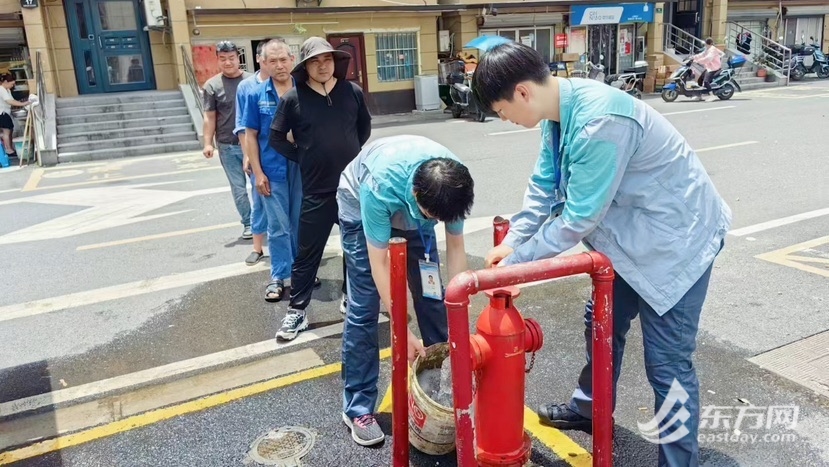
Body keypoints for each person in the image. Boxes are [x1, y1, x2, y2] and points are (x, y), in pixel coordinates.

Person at [472, 42, 732, 467]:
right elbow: (543, 187)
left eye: (501, 111)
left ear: (522, 93)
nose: (505, 119)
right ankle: (591, 407)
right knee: (601, 325)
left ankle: (679, 462)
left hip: (675, 246)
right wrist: (513, 242)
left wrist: (516, 269)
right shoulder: (557, 114)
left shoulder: (600, 120)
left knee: (667, 364)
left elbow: (577, 219)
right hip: (629, 242)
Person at [336, 134, 475, 446]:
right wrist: (400, 326)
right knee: (364, 305)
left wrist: (460, 311)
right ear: (415, 195)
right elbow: (379, 264)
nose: (439, 222)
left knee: (435, 301)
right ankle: (358, 407)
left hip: (416, 207)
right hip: (360, 203)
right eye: (433, 217)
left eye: (442, 219)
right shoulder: (380, 186)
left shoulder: (453, 187)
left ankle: (432, 392)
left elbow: (456, 249)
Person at [270, 37, 372, 340]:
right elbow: (276, 138)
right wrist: (303, 157)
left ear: (335, 62)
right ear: (305, 66)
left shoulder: (352, 92)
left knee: (355, 248)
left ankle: (349, 295)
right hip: (316, 189)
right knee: (306, 254)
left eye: (327, 59)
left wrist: (349, 152)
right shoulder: (293, 98)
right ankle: (297, 311)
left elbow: (363, 129)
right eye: (315, 61)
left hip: (351, 188)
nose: (323, 65)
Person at [240, 40, 304, 302]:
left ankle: (301, 272)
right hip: (270, 169)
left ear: (292, 59)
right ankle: (278, 276)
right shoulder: (256, 94)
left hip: (301, 168)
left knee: (301, 222)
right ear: (263, 63)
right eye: (272, 61)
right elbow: (250, 135)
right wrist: (257, 172)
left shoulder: (306, 90)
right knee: (278, 225)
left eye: (283, 59)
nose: (279, 65)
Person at [202, 41, 253, 240]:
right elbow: (210, 116)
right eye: (223, 59)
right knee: (238, 188)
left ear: (238, 58)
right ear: (218, 60)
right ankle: (248, 223)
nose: (228, 62)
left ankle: (264, 221)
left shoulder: (252, 80)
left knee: (262, 184)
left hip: (253, 143)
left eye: (231, 58)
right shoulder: (212, 86)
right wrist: (208, 143)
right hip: (228, 145)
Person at [234, 37, 278, 266]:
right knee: (259, 201)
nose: (275, 64)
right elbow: (243, 127)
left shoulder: (288, 83)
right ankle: (258, 247)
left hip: (282, 157)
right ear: (260, 59)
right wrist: (248, 156)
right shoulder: (247, 87)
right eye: (269, 59)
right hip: (258, 154)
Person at [0, 73, 27, 160]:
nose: (12, 86)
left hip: (6, 112)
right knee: (6, 131)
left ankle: (10, 148)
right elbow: (9, 101)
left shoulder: (7, 89)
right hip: (2, 113)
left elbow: (12, 100)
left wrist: (21, 103)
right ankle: (8, 150)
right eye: (11, 84)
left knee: (10, 130)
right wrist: (23, 104)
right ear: (5, 82)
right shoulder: (1, 89)